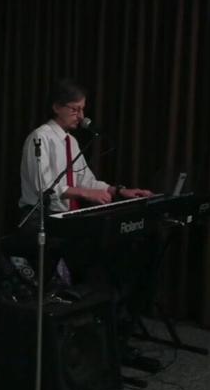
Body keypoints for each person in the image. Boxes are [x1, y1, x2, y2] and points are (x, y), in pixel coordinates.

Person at [10, 77, 153, 291]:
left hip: (66, 217)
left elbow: (86, 179)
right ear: (57, 107)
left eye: (83, 109)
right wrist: (86, 194)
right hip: (40, 218)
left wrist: (120, 191)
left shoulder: (72, 142)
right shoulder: (40, 138)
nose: (82, 117)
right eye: (75, 110)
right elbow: (46, 188)